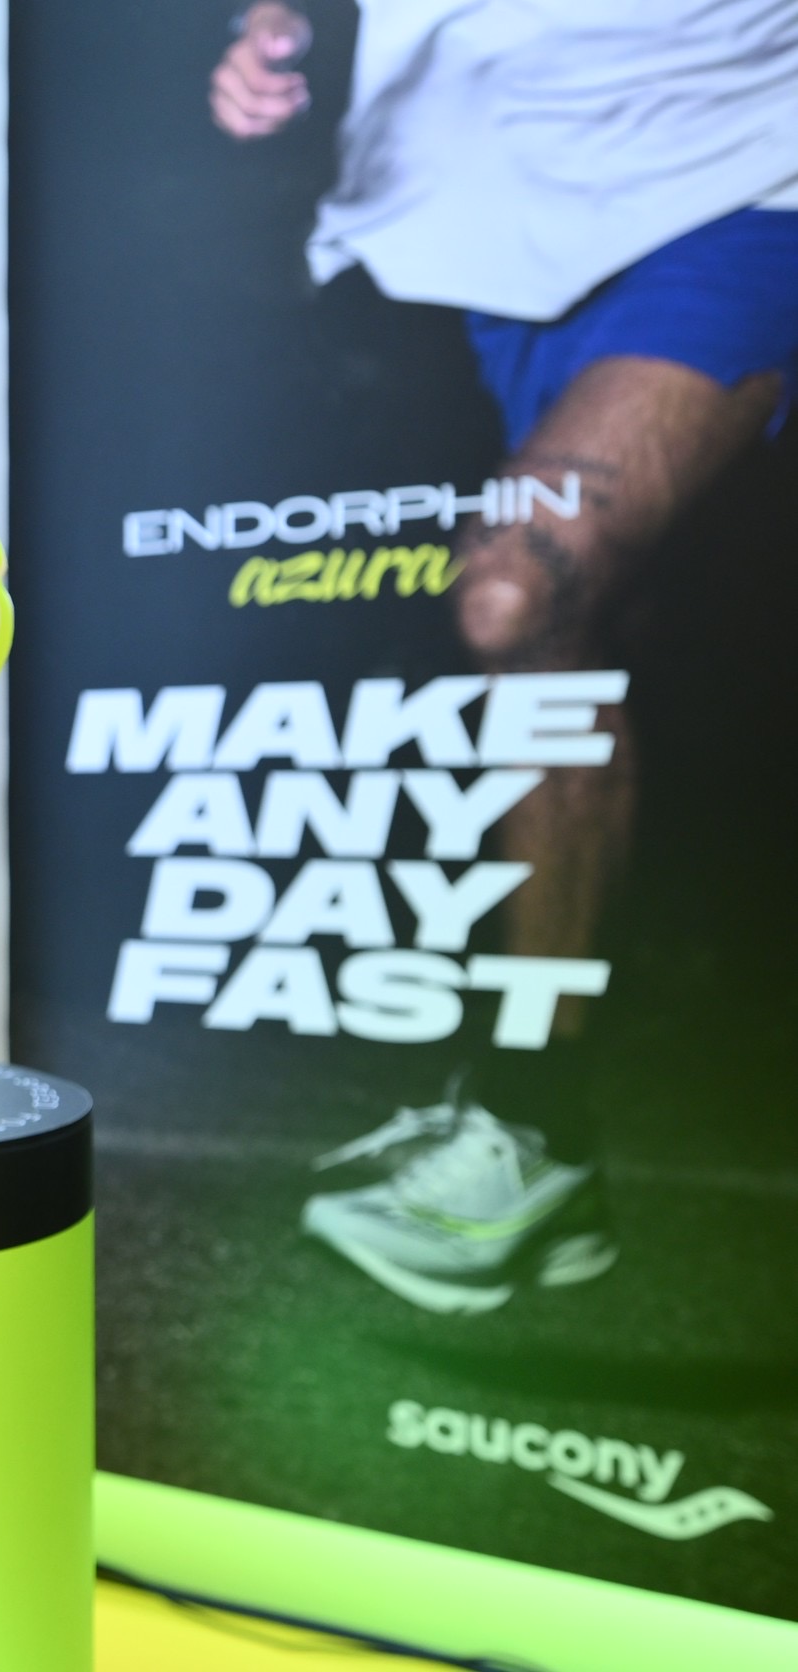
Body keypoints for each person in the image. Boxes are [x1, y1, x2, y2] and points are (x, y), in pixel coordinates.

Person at [210, 1, 798, 1310]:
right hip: (456, 212)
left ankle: (532, 1127)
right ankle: (550, 1154)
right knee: (543, 646)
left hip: (740, 190)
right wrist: (270, 32)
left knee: (517, 595)